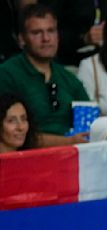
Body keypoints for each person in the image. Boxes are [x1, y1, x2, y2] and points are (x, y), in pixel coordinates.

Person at [0, 3, 90, 147]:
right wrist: (68, 142)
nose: (46, 38)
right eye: (37, 32)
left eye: (51, 31)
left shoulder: (69, 79)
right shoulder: (7, 74)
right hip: (24, 160)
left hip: (70, 159)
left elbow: (90, 123)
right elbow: (12, 134)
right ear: (22, 39)